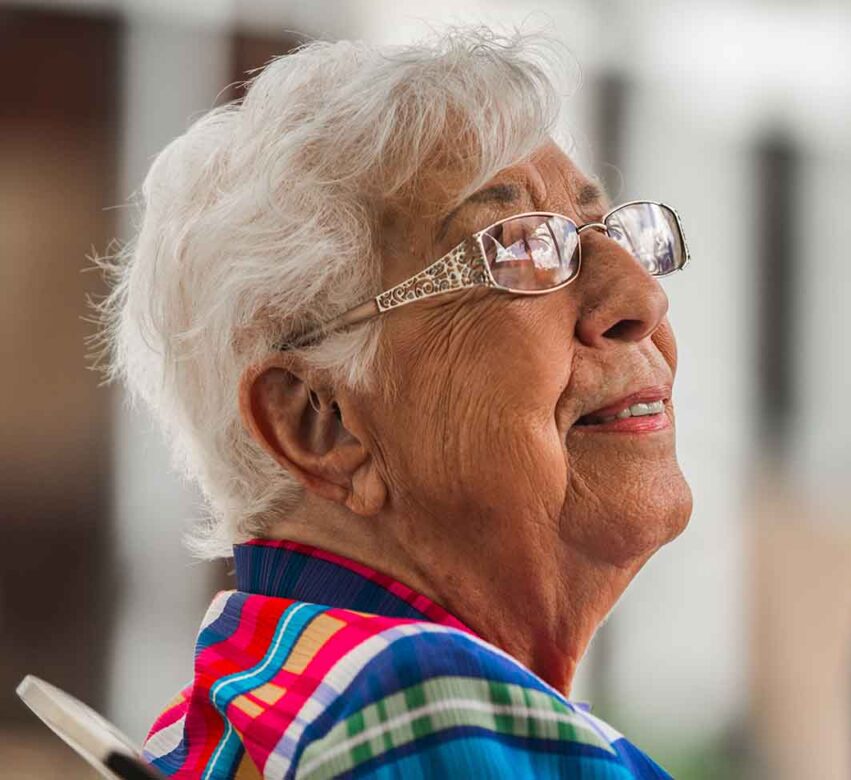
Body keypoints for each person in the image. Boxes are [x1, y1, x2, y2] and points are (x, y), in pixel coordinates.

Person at [102, 28, 691, 778]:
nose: (641, 298)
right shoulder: (425, 720)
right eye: (520, 249)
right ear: (320, 422)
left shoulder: (246, 716)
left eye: (610, 235)